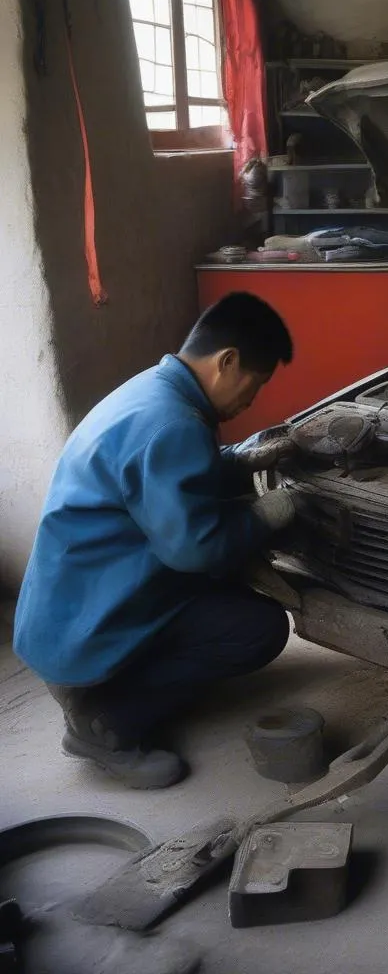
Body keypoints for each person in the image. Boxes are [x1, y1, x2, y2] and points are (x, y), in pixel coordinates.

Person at [14, 292, 303, 789]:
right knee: (259, 628)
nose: (251, 401)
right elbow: (195, 549)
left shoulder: (151, 392)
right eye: (253, 386)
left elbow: (163, 485)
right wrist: (269, 514)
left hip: (64, 613)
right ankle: (106, 723)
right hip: (88, 632)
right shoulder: (171, 424)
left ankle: (99, 690)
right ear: (226, 362)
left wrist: (236, 458)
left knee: (226, 593)